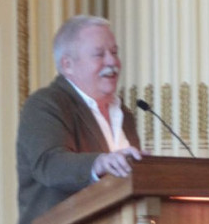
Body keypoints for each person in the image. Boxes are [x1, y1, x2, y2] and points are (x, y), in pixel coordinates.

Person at [16, 15, 142, 224]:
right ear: (68, 65)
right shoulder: (46, 104)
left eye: (114, 52)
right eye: (99, 54)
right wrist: (100, 162)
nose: (112, 62)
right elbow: (50, 164)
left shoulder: (125, 115)